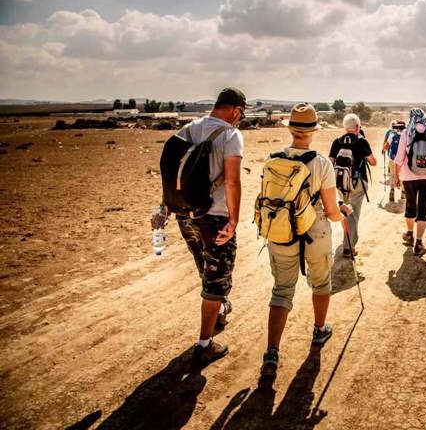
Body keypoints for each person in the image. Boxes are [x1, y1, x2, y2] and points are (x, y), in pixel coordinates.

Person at [153, 87, 246, 364]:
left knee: (204, 266)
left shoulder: (190, 129)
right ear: (235, 110)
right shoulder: (231, 135)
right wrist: (234, 220)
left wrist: (166, 205)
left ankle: (216, 312)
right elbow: (232, 181)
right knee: (216, 280)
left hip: (185, 213)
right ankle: (204, 343)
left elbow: (171, 171)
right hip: (214, 217)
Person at [260, 103, 352, 378]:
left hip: (281, 233)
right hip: (316, 233)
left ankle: (272, 352)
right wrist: (342, 211)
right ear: (312, 131)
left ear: (291, 129)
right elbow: (333, 212)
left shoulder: (271, 159)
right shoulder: (321, 163)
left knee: (281, 291)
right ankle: (319, 329)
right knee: (321, 282)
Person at [393, 108, 426, 256]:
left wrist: (396, 176)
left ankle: (409, 234)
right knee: (423, 209)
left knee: (410, 205)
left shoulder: (407, 133)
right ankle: (419, 243)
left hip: (409, 176)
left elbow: (399, 158)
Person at [329, 113, 377, 257]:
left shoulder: (337, 142)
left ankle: (346, 241)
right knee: (353, 214)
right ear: (357, 127)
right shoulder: (362, 142)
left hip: (341, 184)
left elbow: (329, 163)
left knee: (345, 211)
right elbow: (373, 162)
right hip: (358, 183)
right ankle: (349, 247)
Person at [382, 120, 406, 202]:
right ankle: (403, 193)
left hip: (392, 158)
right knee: (403, 175)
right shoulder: (406, 134)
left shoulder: (392, 134)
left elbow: (386, 147)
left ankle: (392, 191)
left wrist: (384, 150)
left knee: (392, 175)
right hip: (403, 160)